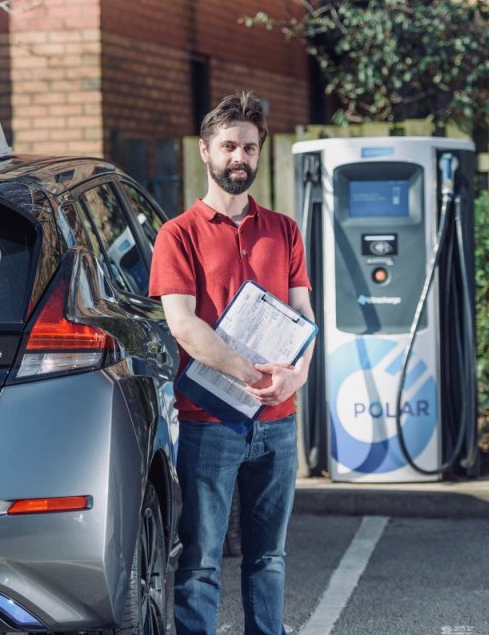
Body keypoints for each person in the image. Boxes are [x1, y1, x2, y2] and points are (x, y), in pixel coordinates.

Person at [148, 92, 315, 635]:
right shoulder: (178, 235)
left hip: (277, 423)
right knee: (200, 559)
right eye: (228, 147)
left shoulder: (284, 230)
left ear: (259, 151)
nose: (238, 157)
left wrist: (298, 373)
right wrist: (247, 373)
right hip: (209, 422)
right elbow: (183, 324)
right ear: (205, 152)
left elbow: (303, 313)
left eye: (248, 146)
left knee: (269, 558)